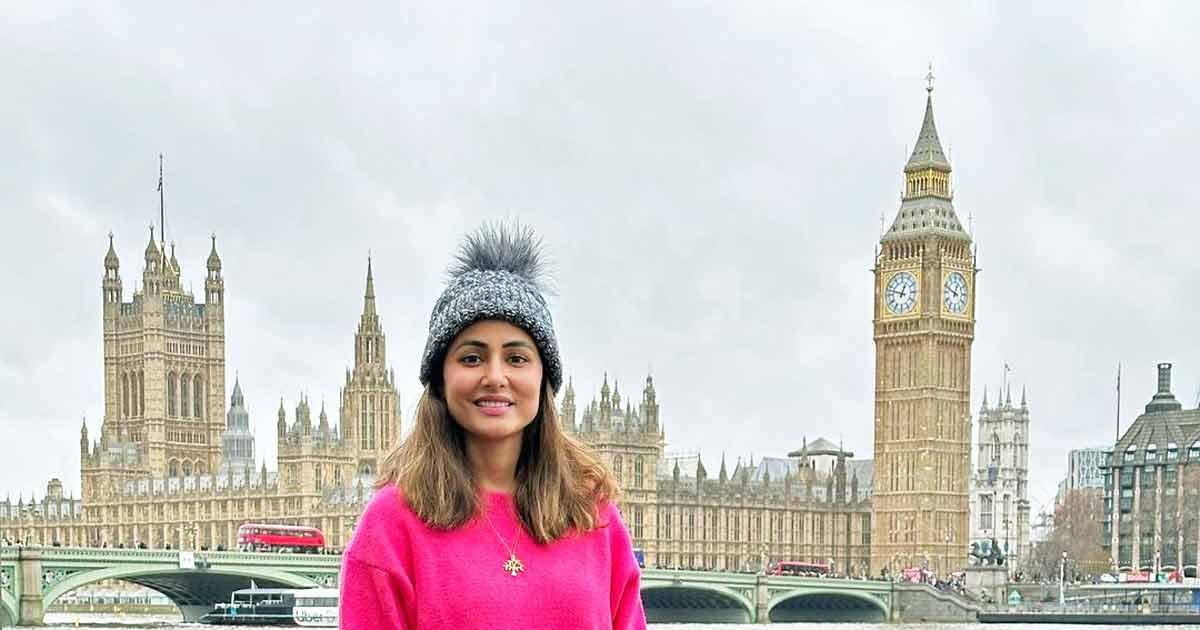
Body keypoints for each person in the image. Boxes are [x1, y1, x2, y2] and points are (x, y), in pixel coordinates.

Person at [340, 223, 646, 629]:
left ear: (544, 378)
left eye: (517, 358)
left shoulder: (595, 516)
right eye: (472, 358)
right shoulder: (391, 525)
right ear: (440, 379)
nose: (496, 377)